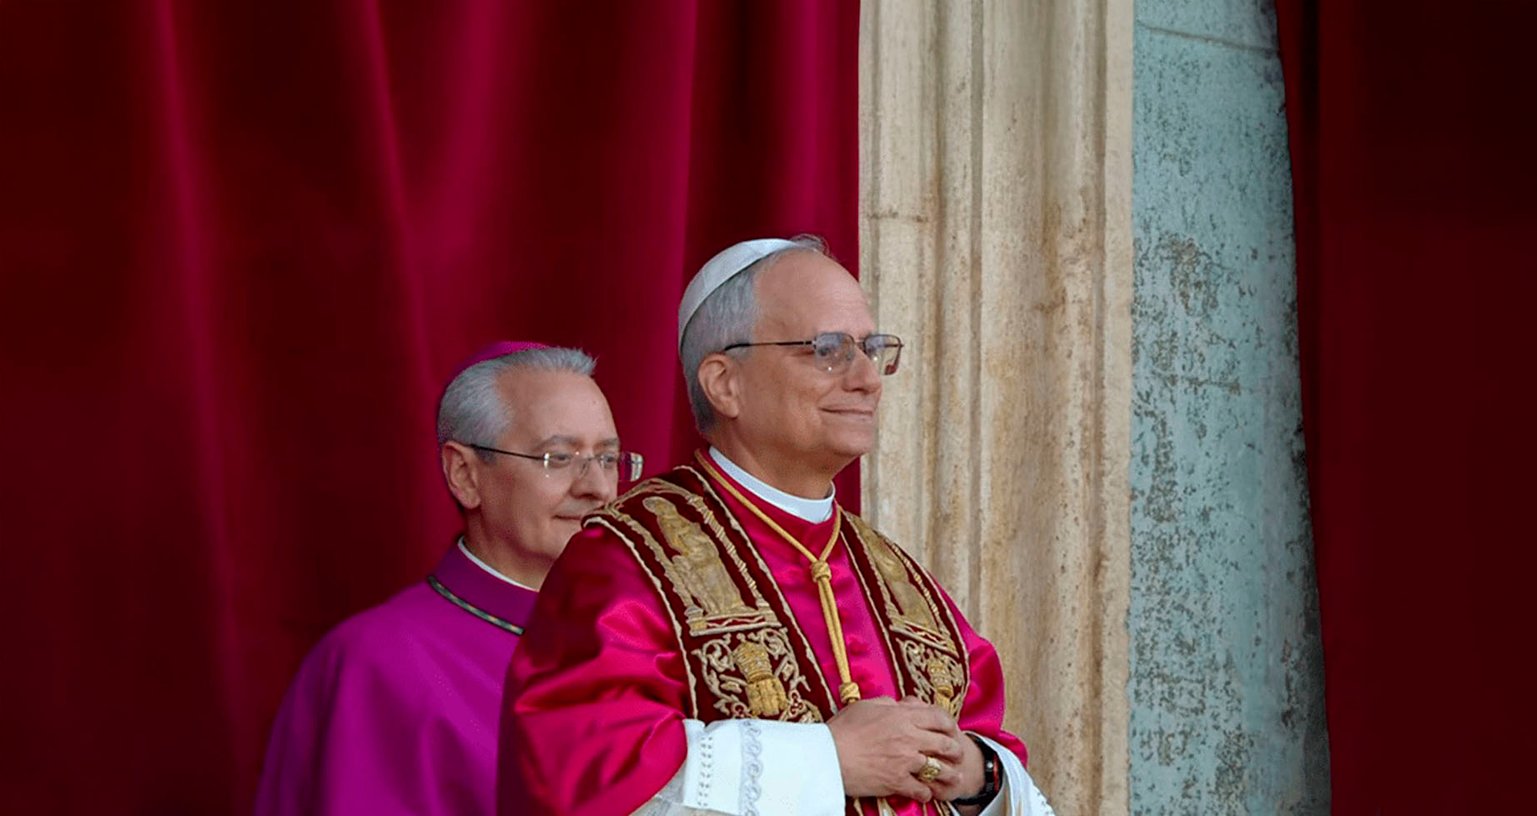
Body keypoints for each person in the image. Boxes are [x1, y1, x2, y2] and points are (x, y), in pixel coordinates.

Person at [499, 240, 1056, 814]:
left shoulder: (899, 578)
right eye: (829, 350)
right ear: (725, 383)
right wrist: (826, 760)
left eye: (872, 349)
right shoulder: (625, 560)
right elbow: (582, 776)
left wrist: (979, 776)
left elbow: (992, 746)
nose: (868, 379)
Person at [256, 342, 641, 815]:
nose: (598, 489)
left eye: (608, 459)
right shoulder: (376, 666)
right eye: (558, 458)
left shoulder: (644, 638)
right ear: (465, 475)